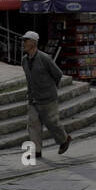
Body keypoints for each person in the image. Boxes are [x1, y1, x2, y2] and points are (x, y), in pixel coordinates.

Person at [20, 31, 72, 159]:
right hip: (33, 98)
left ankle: (64, 140)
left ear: (33, 42)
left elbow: (58, 74)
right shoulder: (24, 60)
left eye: (26, 41)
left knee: (52, 123)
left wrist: (50, 89)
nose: (24, 43)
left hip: (48, 98)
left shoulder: (44, 58)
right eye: (23, 41)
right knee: (33, 123)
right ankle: (36, 151)